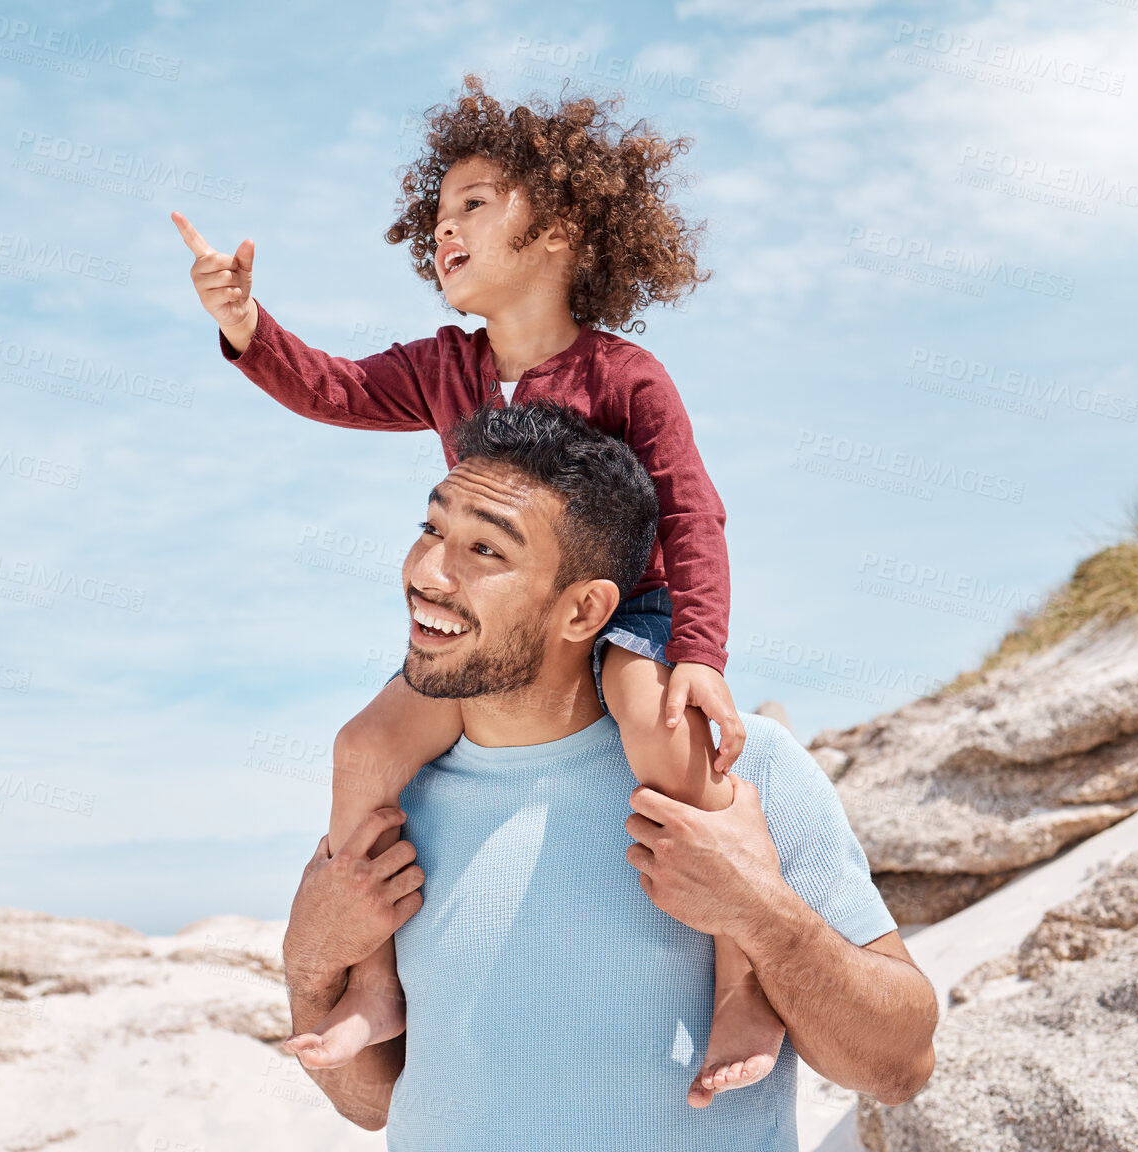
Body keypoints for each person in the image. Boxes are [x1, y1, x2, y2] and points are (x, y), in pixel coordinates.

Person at [174, 73, 781, 1098]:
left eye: (472, 206)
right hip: (494, 625)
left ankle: (739, 985)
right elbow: (333, 388)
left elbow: (691, 514)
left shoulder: (626, 376)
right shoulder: (441, 367)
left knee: (663, 739)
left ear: (557, 231)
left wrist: (699, 659)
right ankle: (374, 984)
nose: (443, 231)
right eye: (437, 212)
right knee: (361, 748)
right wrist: (246, 326)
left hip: (625, 605)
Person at [280, 402, 937, 1146]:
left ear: (584, 608)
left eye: (486, 552)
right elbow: (369, 1104)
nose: (427, 574)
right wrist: (310, 963)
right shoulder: (396, 789)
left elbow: (900, 1066)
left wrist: (759, 914)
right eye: (432, 529)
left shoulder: (734, 772)